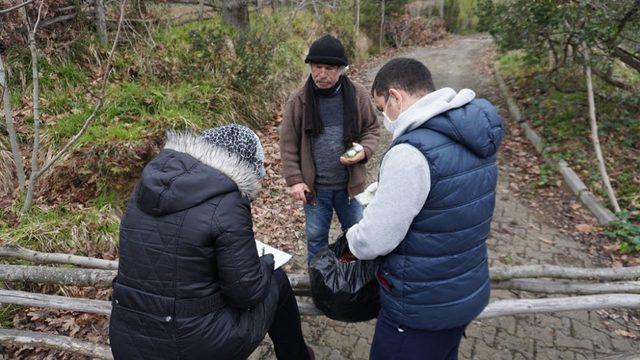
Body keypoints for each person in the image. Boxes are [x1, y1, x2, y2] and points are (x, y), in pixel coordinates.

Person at [109, 124, 313, 360]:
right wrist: (266, 262)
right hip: (190, 346)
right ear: (244, 167)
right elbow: (247, 292)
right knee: (276, 279)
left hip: (125, 338)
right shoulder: (228, 202)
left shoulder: (144, 188)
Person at [346, 58, 504, 359]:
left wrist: (349, 241)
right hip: (464, 292)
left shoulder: (411, 153)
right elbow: (448, 204)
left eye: (382, 109)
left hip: (419, 307)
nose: (384, 119)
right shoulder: (474, 137)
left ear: (396, 97)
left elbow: (375, 239)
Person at [279, 34, 380, 261]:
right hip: (316, 191)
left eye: (329, 68)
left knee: (357, 236)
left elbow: (372, 129)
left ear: (341, 69)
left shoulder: (357, 95)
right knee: (316, 240)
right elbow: (287, 144)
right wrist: (295, 180)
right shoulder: (299, 100)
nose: (321, 74)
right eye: (317, 67)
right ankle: (320, 288)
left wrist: (364, 150)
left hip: (350, 188)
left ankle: (355, 285)